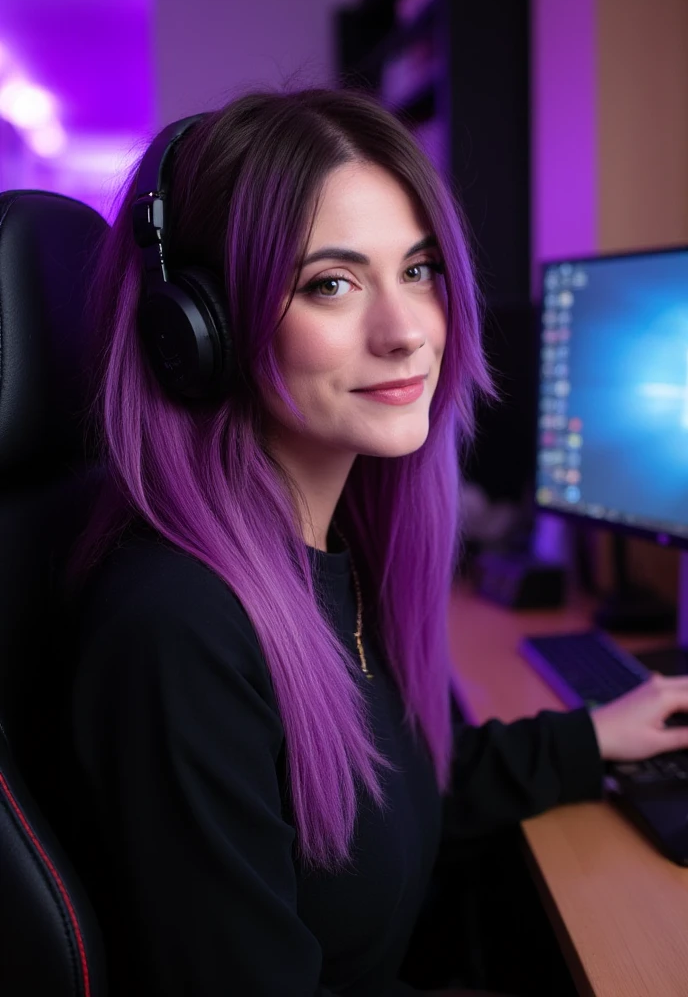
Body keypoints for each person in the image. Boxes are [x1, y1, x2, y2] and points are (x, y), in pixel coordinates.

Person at [65, 87, 688, 997]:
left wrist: (591, 739)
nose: (406, 333)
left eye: (420, 269)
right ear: (198, 331)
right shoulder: (180, 631)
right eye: (331, 283)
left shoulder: (325, 555)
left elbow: (373, 799)